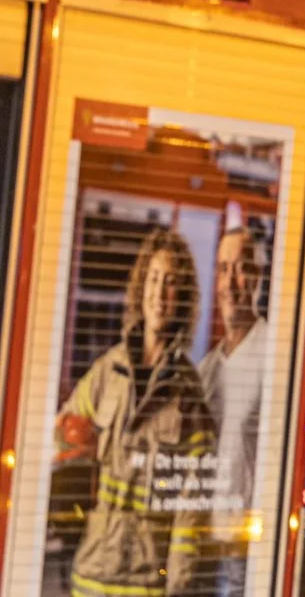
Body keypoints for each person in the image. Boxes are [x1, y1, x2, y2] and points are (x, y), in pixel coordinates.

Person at [54, 227, 216, 597]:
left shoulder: (188, 392)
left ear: (182, 298)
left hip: (147, 582)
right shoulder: (108, 371)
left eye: (171, 282)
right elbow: (59, 437)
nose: (160, 293)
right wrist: (73, 439)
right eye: (154, 279)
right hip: (92, 572)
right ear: (141, 288)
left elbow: (191, 509)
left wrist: (177, 585)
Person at [197, 219, 271, 594]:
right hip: (199, 545)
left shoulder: (273, 354)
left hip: (245, 552)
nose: (231, 282)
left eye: (242, 267)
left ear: (258, 276)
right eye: (224, 269)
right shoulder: (206, 370)